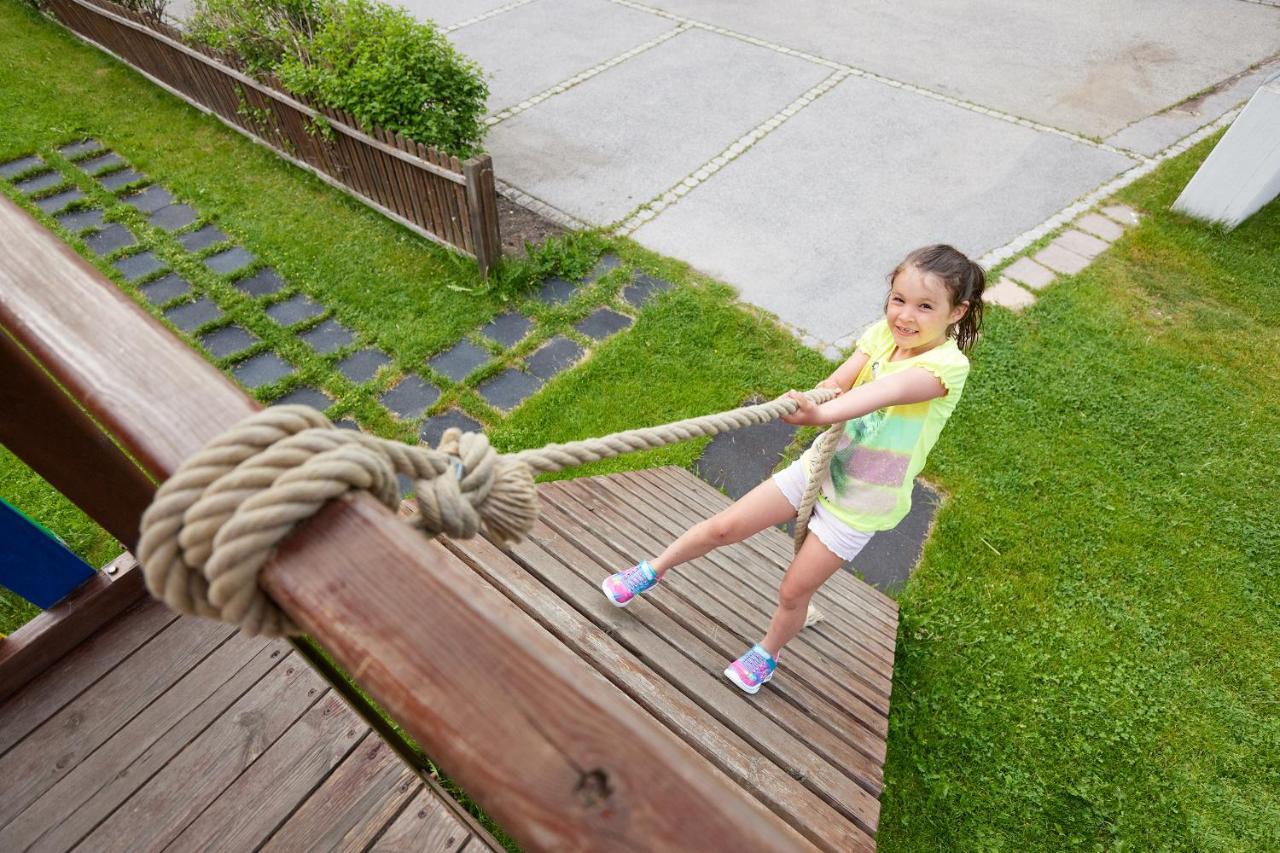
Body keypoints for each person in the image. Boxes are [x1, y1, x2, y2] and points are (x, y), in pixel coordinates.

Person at [600, 244, 985, 693]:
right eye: (898, 299)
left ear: (956, 312)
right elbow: (844, 380)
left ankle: (767, 653)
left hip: (859, 504)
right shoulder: (884, 334)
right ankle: (652, 569)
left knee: (792, 592)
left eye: (924, 306)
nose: (904, 316)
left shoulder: (947, 368)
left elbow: (885, 391)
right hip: (820, 468)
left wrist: (818, 415)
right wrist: (816, 395)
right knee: (725, 526)